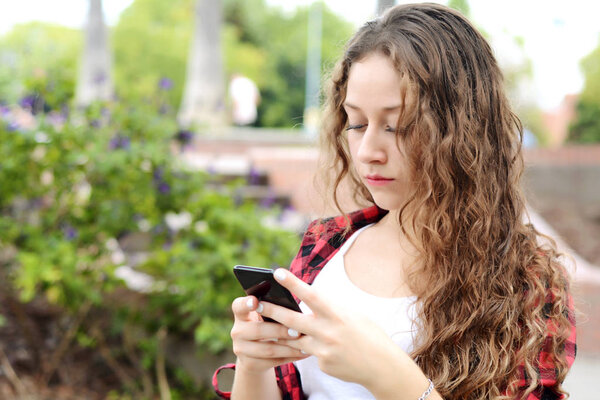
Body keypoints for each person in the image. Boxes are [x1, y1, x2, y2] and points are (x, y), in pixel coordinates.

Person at [214, 4, 576, 399]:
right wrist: (253, 363)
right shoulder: (326, 245)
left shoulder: (526, 280)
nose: (368, 150)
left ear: (464, 129)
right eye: (356, 123)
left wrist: (389, 376)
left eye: (398, 125)